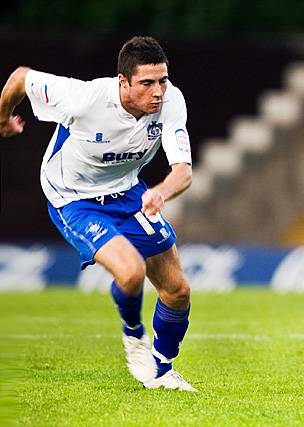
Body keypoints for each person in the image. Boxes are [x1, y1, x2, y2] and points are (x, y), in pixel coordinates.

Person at [0, 36, 196, 391]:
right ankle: (134, 337)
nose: (158, 92)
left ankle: (162, 369)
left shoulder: (171, 102)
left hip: (129, 192)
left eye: (163, 81)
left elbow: (183, 170)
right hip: (74, 198)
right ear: (123, 82)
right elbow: (19, 78)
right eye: (147, 83)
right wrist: (2, 119)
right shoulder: (84, 98)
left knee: (178, 291)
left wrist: (161, 193)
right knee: (131, 271)